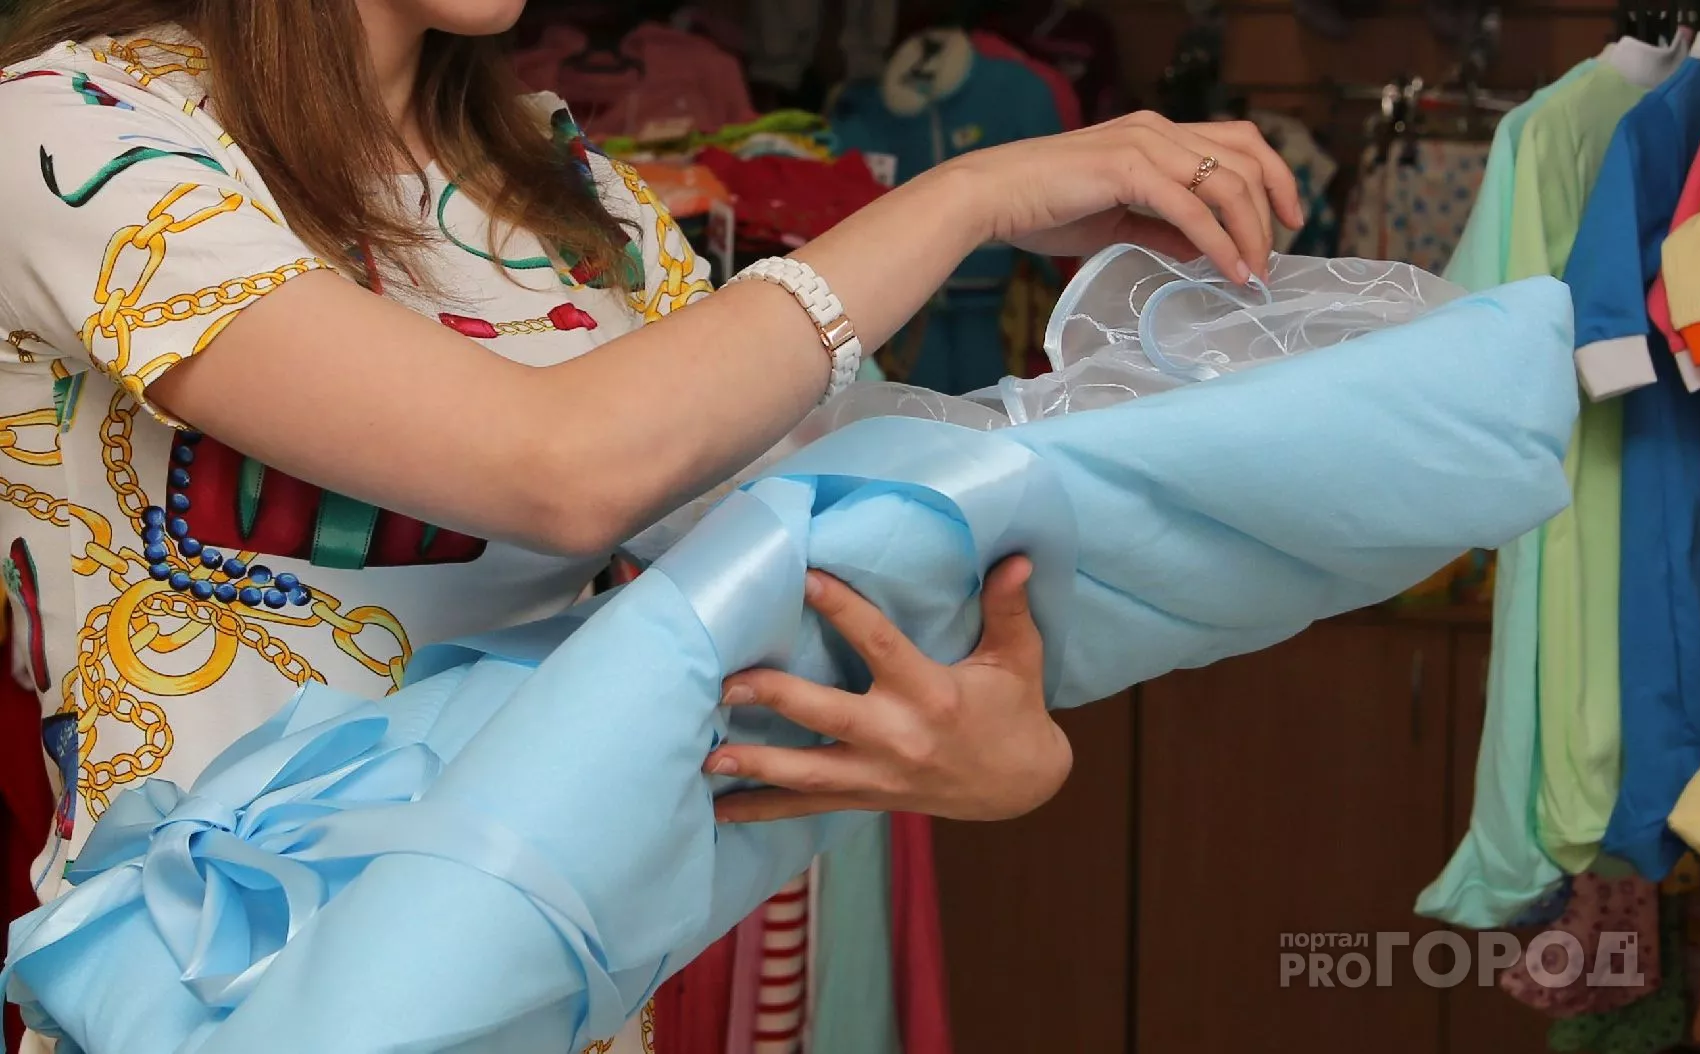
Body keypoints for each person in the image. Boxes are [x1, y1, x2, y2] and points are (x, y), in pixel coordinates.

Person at [0, 0, 1301, 1049]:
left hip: (558, 1001)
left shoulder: (572, 197)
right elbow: (564, 467)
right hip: (200, 1001)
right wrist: (968, 197)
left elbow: (818, 566)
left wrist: (997, 744)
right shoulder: (71, 133)